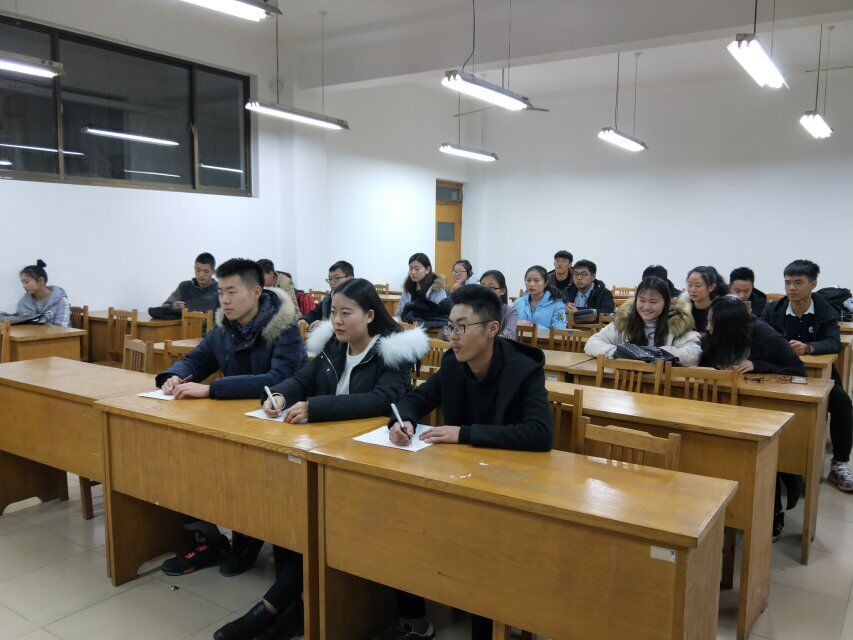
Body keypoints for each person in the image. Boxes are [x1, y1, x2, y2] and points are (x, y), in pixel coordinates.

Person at [213, 278, 428, 640]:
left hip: (371, 462)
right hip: (328, 453)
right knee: (293, 510)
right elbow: (302, 378)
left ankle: (271, 608)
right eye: (334, 313)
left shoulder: (391, 351)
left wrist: (316, 407)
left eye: (346, 313)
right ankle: (291, 607)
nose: (337, 320)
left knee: (320, 524)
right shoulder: (333, 344)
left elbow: (382, 400)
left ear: (369, 315)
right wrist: (280, 396)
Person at [385, 284, 552, 640]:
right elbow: (416, 399)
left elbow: (539, 433)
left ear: (492, 329)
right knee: (404, 519)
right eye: (450, 326)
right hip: (459, 477)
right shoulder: (452, 364)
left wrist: (464, 433)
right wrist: (402, 422)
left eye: (462, 327)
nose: (452, 336)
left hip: (508, 485)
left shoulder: (524, 369)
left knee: (481, 547)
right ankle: (414, 621)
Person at [153, 258, 306, 578]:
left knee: (245, 478)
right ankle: (211, 539)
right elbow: (198, 358)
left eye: (232, 292)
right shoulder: (224, 326)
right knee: (186, 463)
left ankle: (248, 538)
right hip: (232, 419)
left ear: (256, 292)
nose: (224, 300)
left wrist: (212, 389)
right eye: (221, 292)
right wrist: (175, 375)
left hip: (276, 424)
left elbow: (278, 379)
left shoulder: (285, 327)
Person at [761, 260, 853, 499]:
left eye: (798, 282)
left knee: (842, 403)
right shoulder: (774, 310)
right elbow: (759, 338)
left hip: (817, 376)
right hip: (779, 372)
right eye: (787, 282)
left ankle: (839, 463)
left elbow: (833, 342)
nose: (791, 288)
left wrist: (809, 347)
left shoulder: (824, 310)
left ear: (813, 284)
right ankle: (781, 460)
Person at [585, 276, 701, 365]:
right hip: (625, 382)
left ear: (666, 303)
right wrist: (621, 352)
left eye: (653, 302)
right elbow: (592, 343)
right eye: (642, 300)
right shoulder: (625, 320)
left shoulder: (676, 323)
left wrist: (656, 353)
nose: (646, 307)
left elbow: (694, 354)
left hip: (662, 383)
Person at [701, 296, 805, 376]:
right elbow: (705, 363)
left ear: (728, 327)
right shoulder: (713, 334)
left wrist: (757, 365)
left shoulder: (767, 337)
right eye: (708, 321)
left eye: (712, 323)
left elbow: (798, 371)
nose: (707, 328)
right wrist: (718, 364)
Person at [150, 252, 219, 319]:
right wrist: (172, 306)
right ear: (194, 268)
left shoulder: (220, 290)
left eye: (206, 271)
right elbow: (165, 306)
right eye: (198, 270)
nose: (201, 275)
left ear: (213, 271)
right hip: (183, 327)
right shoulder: (184, 287)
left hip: (210, 327)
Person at [2, 260, 71, 326]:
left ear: (41, 280)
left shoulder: (61, 301)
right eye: (22, 282)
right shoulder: (24, 302)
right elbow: (21, 325)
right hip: (32, 334)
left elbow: (63, 328)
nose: (24, 286)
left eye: (26, 282)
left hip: (58, 334)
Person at [395, 253, 449, 327]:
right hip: (408, 328)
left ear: (427, 270)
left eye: (417, 269)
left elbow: (442, 316)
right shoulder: (407, 289)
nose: (413, 272)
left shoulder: (437, 289)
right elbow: (399, 314)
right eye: (411, 269)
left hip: (429, 330)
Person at [300, 260, 355, 331]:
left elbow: (353, 322)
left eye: (336, 278)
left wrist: (325, 325)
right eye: (330, 279)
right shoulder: (328, 298)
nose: (331, 282)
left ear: (350, 279)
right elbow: (315, 313)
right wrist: (305, 320)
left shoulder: (357, 299)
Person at [513, 265, 567, 332]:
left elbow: (559, 330)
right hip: (519, 338)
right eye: (528, 280)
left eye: (536, 281)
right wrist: (516, 324)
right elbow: (510, 326)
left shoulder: (557, 304)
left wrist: (532, 326)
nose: (531, 284)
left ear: (545, 283)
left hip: (545, 339)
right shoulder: (517, 303)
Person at [685, 266, 728, 334]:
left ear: (711, 287)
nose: (692, 290)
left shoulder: (721, 311)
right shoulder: (682, 311)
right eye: (690, 285)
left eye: (698, 286)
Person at [477, 270, 519, 339]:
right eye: (482, 286)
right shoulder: (474, 310)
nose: (485, 291)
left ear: (502, 291)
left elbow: (509, 335)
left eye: (491, 287)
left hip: (500, 345)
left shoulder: (510, 312)